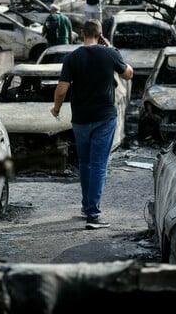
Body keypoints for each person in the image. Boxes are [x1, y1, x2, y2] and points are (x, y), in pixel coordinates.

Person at [51, 19, 134, 229]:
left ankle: (87, 207)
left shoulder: (72, 58)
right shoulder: (110, 53)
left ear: (81, 33)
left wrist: (56, 109)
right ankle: (93, 215)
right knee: (98, 165)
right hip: (104, 117)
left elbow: (61, 90)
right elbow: (129, 74)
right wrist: (110, 48)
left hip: (80, 118)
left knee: (85, 164)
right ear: (101, 34)